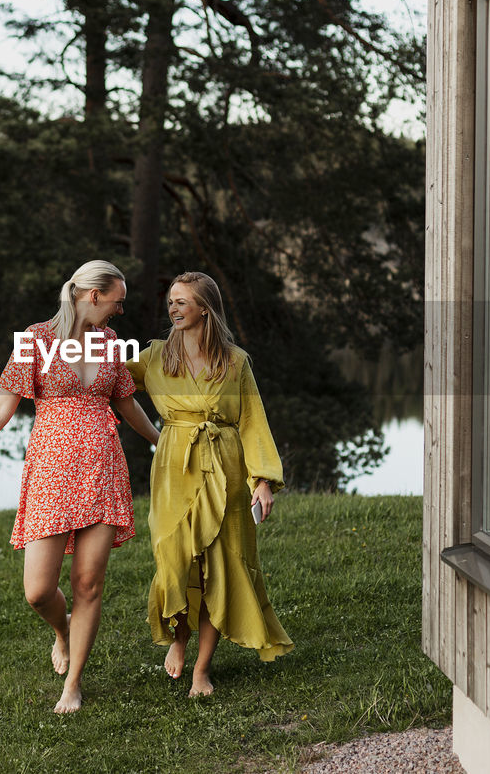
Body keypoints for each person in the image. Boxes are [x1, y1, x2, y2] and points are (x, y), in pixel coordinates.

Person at [0, 260, 160, 713]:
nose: (121, 308)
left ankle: (73, 684)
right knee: (37, 591)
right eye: (118, 299)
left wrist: (161, 442)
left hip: (102, 467)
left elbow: (125, 402)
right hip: (52, 472)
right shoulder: (35, 340)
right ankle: (63, 630)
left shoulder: (111, 343)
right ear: (93, 295)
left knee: (88, 583)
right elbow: (1, 407)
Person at [126, 271, 292, 697]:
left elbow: (254, 421)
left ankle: (202, 668)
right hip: (173, 469)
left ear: (205, 307)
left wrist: (262, 480)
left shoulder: (235, 361)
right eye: (171, 301)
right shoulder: (155, 357)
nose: (173, 308)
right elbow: (106, 379)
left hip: (225, 466)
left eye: (183, 301)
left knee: (219, 566)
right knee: (175, 560)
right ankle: (178, 640)